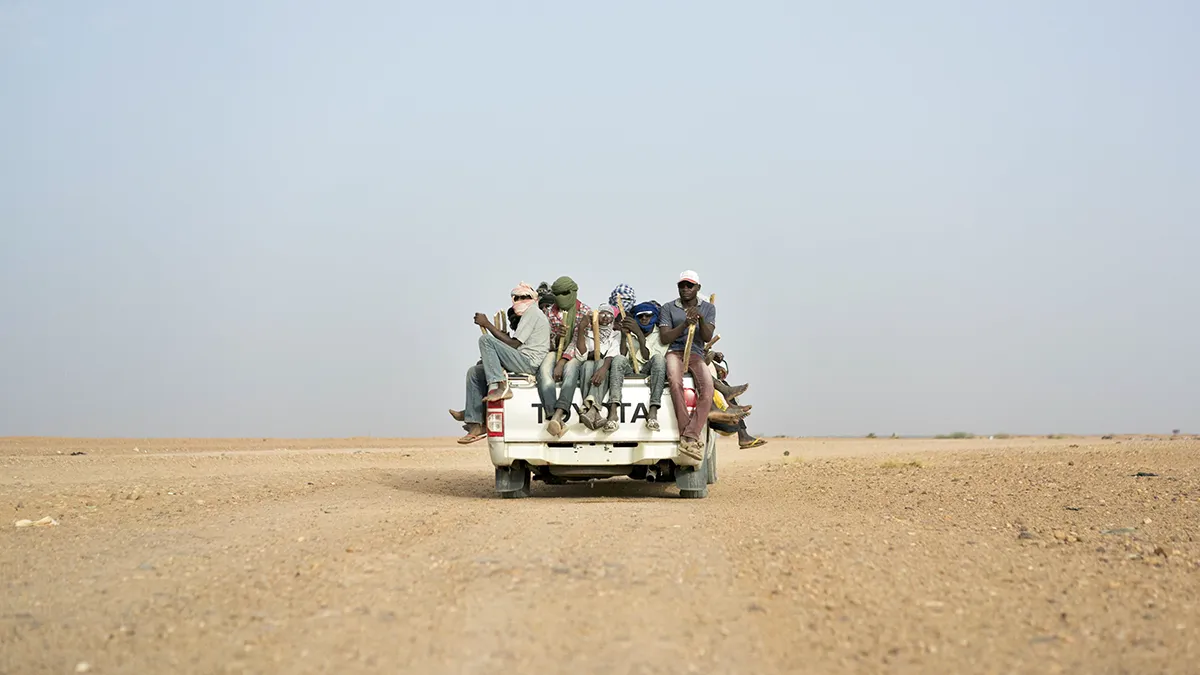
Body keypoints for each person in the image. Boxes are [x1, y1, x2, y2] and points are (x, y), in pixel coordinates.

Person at [453, 283, 549, 444]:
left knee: (485, 340)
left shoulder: (533, 313)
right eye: (516, 298)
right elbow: (513, 344)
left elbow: (513, 344)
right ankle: (474, 419)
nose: (519, 301)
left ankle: (501, 386)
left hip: (528, 362)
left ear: (533, 299)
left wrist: (487, 324)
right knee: (474, 372)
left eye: (524, 297)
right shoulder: (528, 314)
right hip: (520, 357)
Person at [658, 270, 716, 459]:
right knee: (675, 384)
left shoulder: (708, 308)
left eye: (689, 285)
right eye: (682, 285)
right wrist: (684, 324)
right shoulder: (668, 308)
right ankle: (688, 436)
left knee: (708, 389)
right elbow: (665, 338)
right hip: (674, 352)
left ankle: (689, 435)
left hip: (696, 354)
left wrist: (700, 318)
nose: (685, 289)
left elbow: (706, 336)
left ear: (698, 288)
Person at [605, 300, 667, 432]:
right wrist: (624, 336)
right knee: (618, 359)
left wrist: (639, 334)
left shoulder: (660, 334)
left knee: (659, 359)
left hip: (648, 371)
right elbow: (623, 355)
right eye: (640, 316)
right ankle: (613, 412)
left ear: (653, 316)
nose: (644, 318)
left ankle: (653, 411)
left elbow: (647, 357)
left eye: (647, 315)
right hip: (631, 370)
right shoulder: (630, 331)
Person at [538, 277, 591, 423]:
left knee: (571, 370)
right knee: (544, 370)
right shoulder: (549, 312)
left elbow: (578, 339)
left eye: (565, 293)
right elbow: (546, 339)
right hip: (555, 350)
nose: (561, 297)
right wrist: (557, 337)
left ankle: (561, 410)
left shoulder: (584, 311)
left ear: (573, 292)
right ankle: (551, 412)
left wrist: (562, 362)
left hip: (575, 352)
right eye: (557, 294)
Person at [566, 303, 620, 430]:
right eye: (602, 314)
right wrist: (581, 329)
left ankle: (589, 410)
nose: (605, 317)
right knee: (587, 365)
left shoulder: (616, 334)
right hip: (590, 369)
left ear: (613, 318)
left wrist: (603, 368)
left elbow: (612, 354)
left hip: (605, 371)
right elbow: (581, 356)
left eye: (609, 315)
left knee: (600, 362)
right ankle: (595, 413)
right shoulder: (589, 333)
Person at [706, 351, 766, 448]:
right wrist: (712, 355)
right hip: (718, 420)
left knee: (723, 388)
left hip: (722, 421)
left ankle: (741, 430)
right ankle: (742, 433)